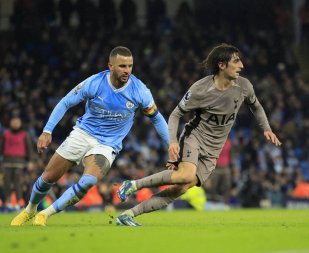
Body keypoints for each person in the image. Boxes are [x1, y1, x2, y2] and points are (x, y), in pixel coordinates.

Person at [116, 43, 281, 226]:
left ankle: (129, 214)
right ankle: (134, 185)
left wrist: (266, 128)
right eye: (236, 61)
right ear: (221, 65)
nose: (241, 65)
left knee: (181, 188)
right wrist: (172, 142)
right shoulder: (200, 89)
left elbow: (256, 106)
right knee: (185, 175)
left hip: (213, 150)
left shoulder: (244, 86)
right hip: (195, 137)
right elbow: (176, 114)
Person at [11, 46, 169, 226]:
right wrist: (47, 130)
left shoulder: (140, 91)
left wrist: (170, 144)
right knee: (48, 177)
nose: (127, 71)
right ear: (110, 66)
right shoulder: (94, 83)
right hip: (83, 134)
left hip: (108, 144)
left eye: (130, 66)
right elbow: (65, 102)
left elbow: (157, 119)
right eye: (122, 66)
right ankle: (30, 209)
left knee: (88, 181)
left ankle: (45, 214)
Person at [0, 117, 34, 210]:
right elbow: (1, 147)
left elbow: (29, 149)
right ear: (10, 123)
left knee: (18, 183)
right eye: (13, 122)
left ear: (20, 123)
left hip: (19, 162)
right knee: (6, 183)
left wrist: (30, 161)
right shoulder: (5, 134)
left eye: (17, 122)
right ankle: (7, 202)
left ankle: (19, 202)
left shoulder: (24, 134)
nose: (15, 124)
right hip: (7, 161)